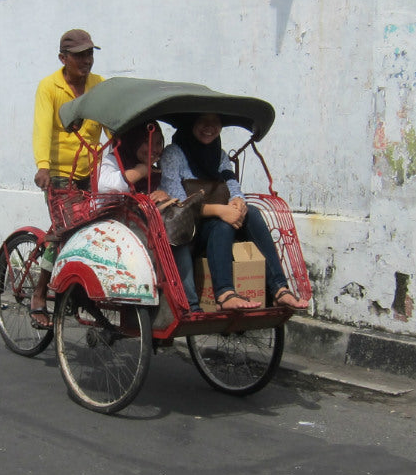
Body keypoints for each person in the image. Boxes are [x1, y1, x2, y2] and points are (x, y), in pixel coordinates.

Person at [160, 112, 307, 312]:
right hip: (189, 228)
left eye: (216, 122)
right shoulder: (173, 154)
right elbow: (178, 203)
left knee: (252, 212)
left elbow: (232, 184)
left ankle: (279, 288)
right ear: (191, 122)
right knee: (223, 224)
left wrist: (238, 202)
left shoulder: (219, 155)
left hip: (220, 219)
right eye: (203, 120)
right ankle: (225, 293)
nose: (209, 127)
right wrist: (220, 211)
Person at [29, 28, 103, 327]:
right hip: (58, 173)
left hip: (90, 170)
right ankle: (39, 291)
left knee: (95, 231)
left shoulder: (99, 85)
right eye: (80, 55)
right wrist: (43, 165)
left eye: (90, 54)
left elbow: (112, 125)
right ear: (63, 58)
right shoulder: (49, 87)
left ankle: (80, 291)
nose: (86, 60)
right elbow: (42, 127)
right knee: (64, 232)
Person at [97, 121, 203, 313]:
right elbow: (105, 185)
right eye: (147, 142)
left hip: (147, 226)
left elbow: (164, 193)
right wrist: (140, 171)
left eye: (159, 143)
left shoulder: (157, 169)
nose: (154, 150)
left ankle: (187, 303)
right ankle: (187, 304)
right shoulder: (114, 160)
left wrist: (163, 195)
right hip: (115, 227)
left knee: (178, 237)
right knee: (169, 239)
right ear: (132, 141)